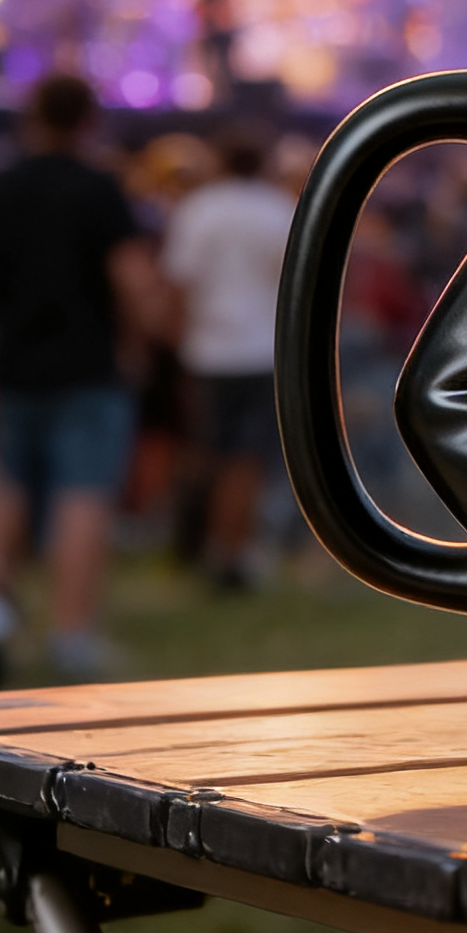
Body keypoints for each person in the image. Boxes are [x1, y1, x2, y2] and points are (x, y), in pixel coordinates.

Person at [0, 75, 165, 676]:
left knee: (3, 491)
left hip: (14, 368)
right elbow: (133, 281)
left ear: (30, 115)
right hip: (89, 369)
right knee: (83, 496)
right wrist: (143, 340)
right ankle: (71, 634)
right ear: (90, 120)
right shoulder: (99, 189)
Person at [161, 121, 294, 585]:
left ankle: (196, 540)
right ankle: (231, 550)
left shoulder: (199, 209)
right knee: (247, 458)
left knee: (205, 450)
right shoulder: (279, 210)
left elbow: (179, 281)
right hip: (261, 350)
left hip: (208, 349)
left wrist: (175, 337)